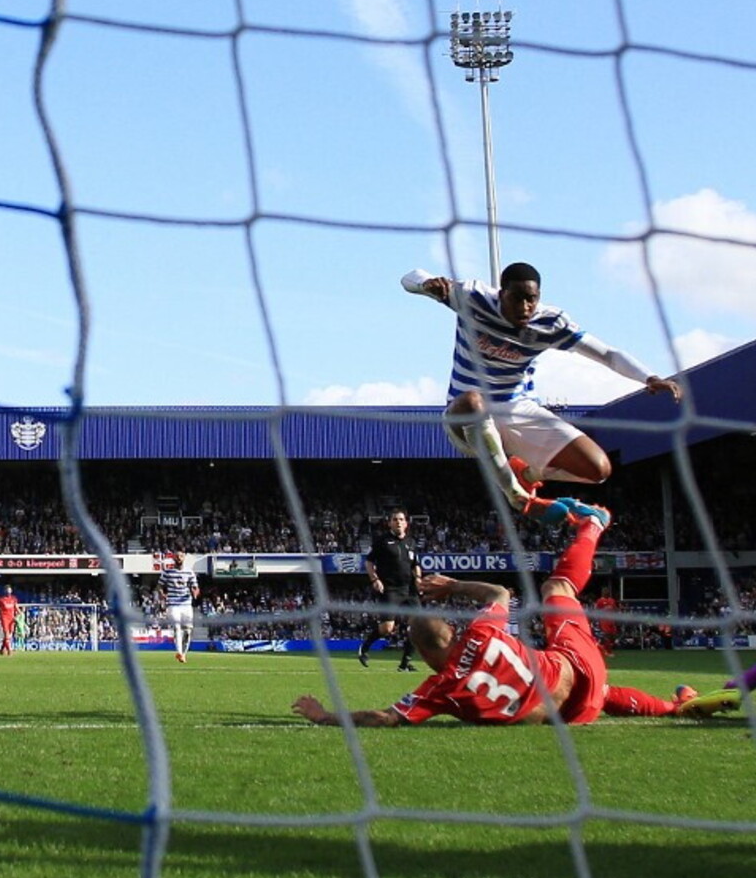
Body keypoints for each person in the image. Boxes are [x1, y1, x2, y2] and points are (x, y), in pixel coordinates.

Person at [293, 499, 720, 727]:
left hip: (573, 714)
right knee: (557, 586)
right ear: (452, 631)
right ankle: (591, 526)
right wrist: (454, 586)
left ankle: (672, 707)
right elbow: (500, 591)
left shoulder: (439, 689)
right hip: (578, 668)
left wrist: (324, 715)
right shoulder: (480, 633)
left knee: (601, 695)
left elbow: (384, 719)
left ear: (425, 655)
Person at [400, 262, 681, 517]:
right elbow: (409, 277)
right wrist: (426, 285)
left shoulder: (551, 323)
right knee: (474, 401)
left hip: (518, 408)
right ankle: (515, 495)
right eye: (517, 298)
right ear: (501, 293)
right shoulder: (472, 297)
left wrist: (649, 377)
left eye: (531, 299)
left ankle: (529, 473)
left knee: (598, 470)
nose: (525, 307)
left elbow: (606, 353)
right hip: (465, 419)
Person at [356, 509, 422, 672]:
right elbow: (369, 562)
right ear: (390, 523)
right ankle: (364, 648)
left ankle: (404, 664)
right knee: (387, 628)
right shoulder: (382, 541)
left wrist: (419, 579)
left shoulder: (411, 543)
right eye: (395, 519)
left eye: (401, 519)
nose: (398, 522)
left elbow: (416, 565)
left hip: (410, 590)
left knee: (417, 627)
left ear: (406, 523)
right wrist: (375, 579)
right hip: (391, 589)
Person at [158, 551, 200, 663]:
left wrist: (195, 592)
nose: (179, 558)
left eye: (181, 556)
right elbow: (160, 585)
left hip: (186, 604)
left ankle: (184, 654)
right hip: (173, 604)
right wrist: (162, 594)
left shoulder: (189, 572)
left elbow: (195, 587)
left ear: (184, 557)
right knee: (176, 627)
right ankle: (179, 653)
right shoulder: (167, 572)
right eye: (177, 556)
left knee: (188, 631)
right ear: (173, 558)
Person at [594, 585, 620, 657]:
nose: (606, 592)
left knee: (613, 636)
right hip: (604, 621)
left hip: (611, 620)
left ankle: (604, 648)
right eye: (605, 591)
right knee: (606, 636)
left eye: (607, 591)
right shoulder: (600, 601)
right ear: (602, 593)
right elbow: (596, 611)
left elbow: (615, 609)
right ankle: (608, 651)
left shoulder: (612, 600)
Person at [0, 584, 19, 656]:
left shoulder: (13, 599)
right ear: (4, 591)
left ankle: (2, 649)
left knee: (9, 636)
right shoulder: (1, 600)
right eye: (7, 590)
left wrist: (20, 614)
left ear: (11, 591)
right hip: (4, 618)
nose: (8, 591)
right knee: (7, 635)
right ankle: (9, 651)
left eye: (9, 590)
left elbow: (16, 608)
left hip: (11, 619)